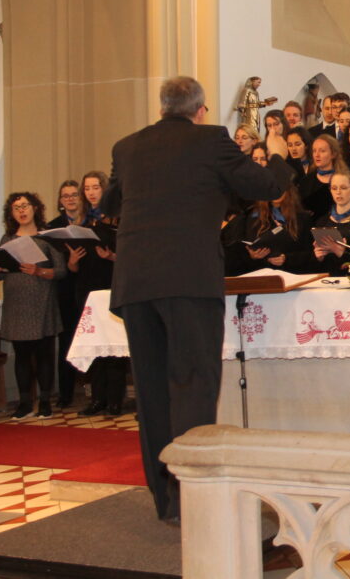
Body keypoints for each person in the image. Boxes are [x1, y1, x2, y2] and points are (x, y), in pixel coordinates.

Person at [103, 76, 293, 522]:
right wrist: (278, 147)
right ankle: (195, 496)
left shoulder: (126, 146)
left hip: (135, 282)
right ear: (200, 110)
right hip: (188, 278)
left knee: (150, 391)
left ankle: (165, 499)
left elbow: (111, 201)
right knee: (192, 382)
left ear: (163, 106)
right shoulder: (211, 141)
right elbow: (265, 186)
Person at [0, 192, 67, 420]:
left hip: (42, 301)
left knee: (44, 355)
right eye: (16, 207)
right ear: (11, 214)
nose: (21, 210)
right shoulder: (7, 239)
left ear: (35, 208)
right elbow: (4, 270)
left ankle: (45, 402)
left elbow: (61, 271)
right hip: (16, 304)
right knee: (21, 355)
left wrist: (39, 270)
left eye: (25, 206)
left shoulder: (48, 237)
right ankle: (24, 403)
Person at [69, 171, 127, 418]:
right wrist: (72, 261)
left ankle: (115, 400)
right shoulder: (81, 222)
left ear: (105, 189)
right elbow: (73, 268)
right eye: (87, 188)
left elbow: (129, 257)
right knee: (95, 347)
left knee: (113, 348)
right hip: (87, 287)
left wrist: (112, 256)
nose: (91, 192)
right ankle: (98, 399)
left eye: (95, 187)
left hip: (111, 284)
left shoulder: (117, 218)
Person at [46, 181, 84, 409]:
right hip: (65, 291)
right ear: (60, 201)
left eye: (74, 195)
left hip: (88, 286)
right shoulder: (53, 227)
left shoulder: (91, 223)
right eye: (65, 196)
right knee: (67, 342)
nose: (70, 199)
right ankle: (65, 394)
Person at [313, 171, 350, 276]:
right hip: (328, 282)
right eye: (334, 188)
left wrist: (341, 253)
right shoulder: (322, 222)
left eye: (343, 188)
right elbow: (315, 267)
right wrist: (318, 257)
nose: (338, 192)